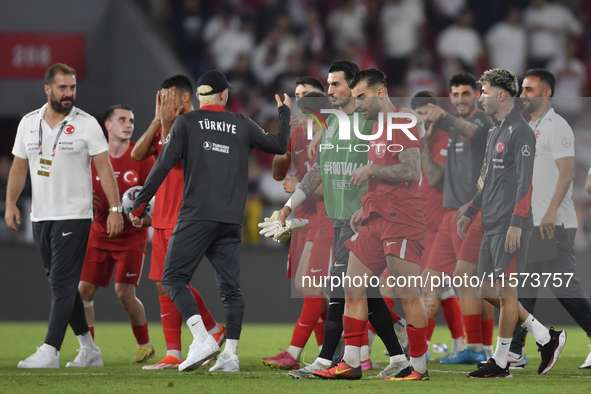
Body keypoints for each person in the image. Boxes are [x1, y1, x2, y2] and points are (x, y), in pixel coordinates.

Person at [129, 70, 290, 373]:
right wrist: (284, 113)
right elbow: (279, 145)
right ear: (224, 95)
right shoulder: (241, 123)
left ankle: (202, 338)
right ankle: (230, 356)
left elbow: (162, 166)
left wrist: (138, 205)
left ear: (199, 96)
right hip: (230, 219)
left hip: (196, 215)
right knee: (230, 288)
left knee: (173, 278)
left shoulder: (186, 123)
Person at [272, 61, 409, 380]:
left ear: (353, 87)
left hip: (361, 220)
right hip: (338, 218)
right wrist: (289, 206)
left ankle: (327, 361)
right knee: (367, 296)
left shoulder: (371, 124)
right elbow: (318, 171)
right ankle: (400, 358)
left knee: (339, 288)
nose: (329, 90)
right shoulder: (333, 124)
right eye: (329, 84)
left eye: (335, 85)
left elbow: (395, 166)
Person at [6, 63, 123, 368]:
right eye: (62, 88)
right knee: (62, 285)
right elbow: (19, 167)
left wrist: (114, 208)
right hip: (41, 216)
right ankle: (88, 349)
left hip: (75, 214)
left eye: (72, 87)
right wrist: (10, 203)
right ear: (48, 89)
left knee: (61, 282)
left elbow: (104, 168)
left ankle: (50, 350)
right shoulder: (28, 123)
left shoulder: (87, 124)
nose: (69, 93)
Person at [316, 68, 429, 381]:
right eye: (355, 98)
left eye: (362, 96)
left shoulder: (401, 123)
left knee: (408, 296)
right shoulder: (376, 127)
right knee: (352, 286)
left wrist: (370, 171)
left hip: (402, 220)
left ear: (380, 92)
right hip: (374, 218)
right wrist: (365, 206)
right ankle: (351, 363)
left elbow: (411, 171)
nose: (358, 103)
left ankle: (418, 367)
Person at [458, 68, 566, 378]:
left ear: (501, 95)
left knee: (506, 293)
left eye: (484, 91)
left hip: (509, 223)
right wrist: (470, 208)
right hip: (490, 221)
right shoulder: (495, 130)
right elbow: (487, 177)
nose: (481, 97)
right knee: (483, 290)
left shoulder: (521, 131)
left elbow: (525, 182)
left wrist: (517, 222)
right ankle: (546, 337)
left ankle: (502, 362)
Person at [131, 75, 224, 370]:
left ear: (185, 97)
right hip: (161, 216)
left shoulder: (196, 124)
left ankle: (211, 328)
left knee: (173, 280)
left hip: (184, 215)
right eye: (160, 97)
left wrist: (168, 123)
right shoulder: (166, 124)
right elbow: (138, 154)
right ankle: (175, 352)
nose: (163, 101)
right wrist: (158, 120)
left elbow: (175, 156)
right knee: (162, 284)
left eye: (167, 96)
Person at [510, 69, 591, 370]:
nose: (522, 95)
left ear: (546, 93)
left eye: (529, 89)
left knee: (564, 288)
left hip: (553, 223)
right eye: (522, 89)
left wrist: (551, 211)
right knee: (524, 289)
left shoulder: (557, 126)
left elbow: (568, 172)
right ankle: (516, 351)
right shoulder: (530, 126)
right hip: (534, 223)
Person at [421, 73, 495, 364]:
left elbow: (473, 133)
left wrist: (445, 118)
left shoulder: (481, 121)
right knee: (431, 282)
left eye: (465, 94)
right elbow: (435, 175)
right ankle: (424, 348)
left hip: (472, 212)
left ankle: (484, 347)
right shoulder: (450, 130)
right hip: (448, 214)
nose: (460, 99)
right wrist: (427, 141)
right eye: (455, 94)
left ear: (476, 95)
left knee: (475, 282)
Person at [262, 80, 335, 370]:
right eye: (298, 96)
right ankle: (328, 350)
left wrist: (296, 186)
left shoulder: (332, 134)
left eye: (306, 96)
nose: (301, 101)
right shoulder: (298, 132)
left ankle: (294, 353)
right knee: (310, 288)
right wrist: (284, 137)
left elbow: (334, 184)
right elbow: (279, 173)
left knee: (311, 287)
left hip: (328, 215)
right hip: (302, 216)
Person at [77, 104, 156, 364]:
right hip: (99, 233)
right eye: (122, 119)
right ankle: (88, 349)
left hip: (132, 236)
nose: (129, 124)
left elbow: (160, 197)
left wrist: (148, 219)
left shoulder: (142, 157)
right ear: (107, 126)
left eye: (131, 120)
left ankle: (145, 345)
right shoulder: (93, 157)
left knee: (124, 293)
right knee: (83, 291)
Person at [408, 92, 465, 360]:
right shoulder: (407, 141)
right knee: (442, 289)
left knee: (431, 287)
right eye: (419, 113)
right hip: (413, 222)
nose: (424, 118)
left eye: (428, 112)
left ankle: (423, 347)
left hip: (435, 223)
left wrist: (421, 143)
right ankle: (459, 343)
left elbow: (432, 178)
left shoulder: (445, 139)